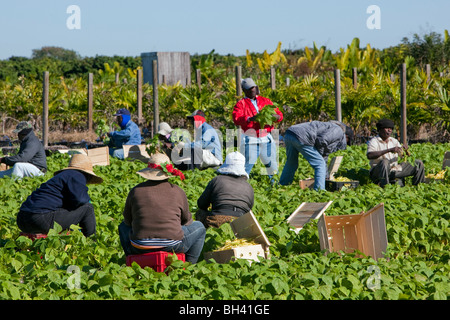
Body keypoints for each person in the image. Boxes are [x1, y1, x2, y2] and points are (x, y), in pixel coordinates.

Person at [118, 153, 206, 263]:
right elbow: (186, 221)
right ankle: (189, 265)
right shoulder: (178, 191)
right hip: (173, 246)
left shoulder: (135, 191)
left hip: (140, 247)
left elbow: (127, 221)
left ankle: (132, 259)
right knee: (200, 227)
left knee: (122, 226)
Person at [16, 154, 103, 237]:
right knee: (88, 207)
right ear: (87, 174)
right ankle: (91, 241)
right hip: (40, 219)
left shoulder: (63, 177)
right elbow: (80, 199)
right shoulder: (77, 175)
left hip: (22, 219)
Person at [279, 120, 352, 190]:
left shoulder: (328, 127)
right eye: (348, 141)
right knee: (320, 164)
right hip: (301, 136)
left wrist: (325, 176)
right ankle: (320, 191)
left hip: (290, 133)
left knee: (291, 163)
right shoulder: (338, 130)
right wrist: (319, 154)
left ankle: (283, 186)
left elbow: (324, 151)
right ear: (347, 136)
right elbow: (322, 140)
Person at [232, 78, 283, 177]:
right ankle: (241, 187)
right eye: (249, 88)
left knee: (272, 166)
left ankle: (274, 187)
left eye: (253, 87)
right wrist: (250, 119)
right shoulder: (241, 104)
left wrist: (276, 117)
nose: (252, 90)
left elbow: (279, 115)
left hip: (266, 138)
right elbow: (236, 119)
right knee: (246, 167)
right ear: (244, 90)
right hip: (251, 139)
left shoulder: (265, 101)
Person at [196, 152, 254, 228]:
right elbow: (249, 210)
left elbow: (201, 204)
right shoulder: (248, 186)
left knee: (200, 212)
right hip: (240, 223)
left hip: (217, 220)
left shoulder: (217, 180)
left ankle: (204, 235)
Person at [367, 118, 425, 187]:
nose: (389, 130)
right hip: (378, 172)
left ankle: (418, 187)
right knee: (385, 162)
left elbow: (402, 156)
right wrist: (388, 150)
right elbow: (370, 155)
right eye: (387, 128)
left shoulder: (394, 141)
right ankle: (385, 187)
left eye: (391, 128)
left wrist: (405, 151)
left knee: (418, 163)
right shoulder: (374, 141)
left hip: (394, 170)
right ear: (380, 129)